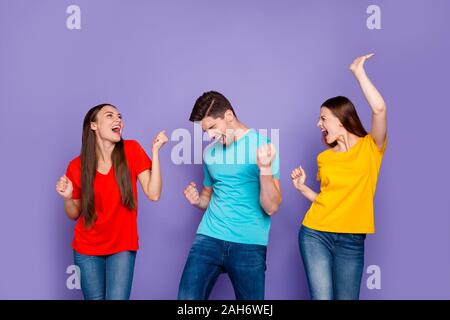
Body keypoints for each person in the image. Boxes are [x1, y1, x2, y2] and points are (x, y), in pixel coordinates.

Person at [291, 54, 388, 300]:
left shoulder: (371, 147)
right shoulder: (325, 158)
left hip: (352, 240)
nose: (318, 124)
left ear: (341, 119)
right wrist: (304, 190)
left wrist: (358, 72)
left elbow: (379, 109)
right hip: (315, 233)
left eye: (323, 119)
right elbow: (330, 199)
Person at [56, 103, 168, 300]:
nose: (118, 120)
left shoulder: (132, 150)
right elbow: (74, 214)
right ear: (93, 125)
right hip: (87, 248)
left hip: (122, 246)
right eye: (110, 116)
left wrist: (156, 152)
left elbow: (154, 193)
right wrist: (67, 197)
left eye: (119, 116)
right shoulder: (76, 165)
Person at [178, 91, 282, 300]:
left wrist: (265, 168)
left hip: (249, 242)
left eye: (212, 128)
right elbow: (208, 197)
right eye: (206, 132)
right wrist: (198, 200)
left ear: (228, 116)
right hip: (209, 236)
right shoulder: (210, 154)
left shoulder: (263, 147)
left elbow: (271, 207)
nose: (210, 136)